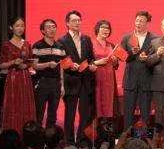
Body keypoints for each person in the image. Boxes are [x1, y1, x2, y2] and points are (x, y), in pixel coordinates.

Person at [58, 10, 95, 142]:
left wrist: (92, 65)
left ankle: (81, 140)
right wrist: (69, 65)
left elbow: (90, 58)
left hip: (85, 80)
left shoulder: (86, 39)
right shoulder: (62, 41)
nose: (77, 23)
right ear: (67, 23)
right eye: (74, 20)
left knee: (85, 114)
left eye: (79, 20)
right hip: (71, 80)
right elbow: (61, 60)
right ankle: (69, 141)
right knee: (70, 114)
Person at [119, 10, 156, 128]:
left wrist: (147, 59)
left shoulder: (154, 39)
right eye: (137, 21)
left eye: (141, 21)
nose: (138, 23)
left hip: (147, 81)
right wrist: (131, 52)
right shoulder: (127, 38)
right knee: (128, 113)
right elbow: (121, 57)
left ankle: (144, 138)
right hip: (130, 81)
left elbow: (156, 59)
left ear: (147, 23)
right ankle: (127, 136)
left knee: (145, 114)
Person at [0, 17, 36, 131]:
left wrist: (28, 65)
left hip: (26, 78)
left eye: (22, 26)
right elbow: (1, 65)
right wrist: (13, 62)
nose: (20, 28)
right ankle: (13, 132)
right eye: (17, 26)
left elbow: (30, 62)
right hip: (13, 79)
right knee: (14, 104)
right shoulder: (6, 45)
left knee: (25, 105)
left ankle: (28, 133)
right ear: (11, 28)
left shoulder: (27, 44)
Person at [31, 18, 65, 128]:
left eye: (53, 27)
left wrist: (62, 85)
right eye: (48, 27)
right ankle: (38, 136)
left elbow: (62, 67)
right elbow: (34, 65)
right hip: (42, 82)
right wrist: (48, 64)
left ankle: (50, 136)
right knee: (39, 113)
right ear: (42, 31)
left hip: (56, 83)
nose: (52, 29)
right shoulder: (37, 46)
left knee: (52, 115)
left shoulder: (60, 46)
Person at [92, 19, 120, 120]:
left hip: (109, 81)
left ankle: (107, 126)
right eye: (103, 28)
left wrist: (115, 60)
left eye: (108, 28)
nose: (106, 30)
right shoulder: (90, 44)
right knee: (96, 103)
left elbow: (116, 65)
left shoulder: (111, 45)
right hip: (96, 79)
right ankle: (97, 127)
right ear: (97, 29)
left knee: (110, 104)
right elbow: (86, 62)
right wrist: (97, 62)